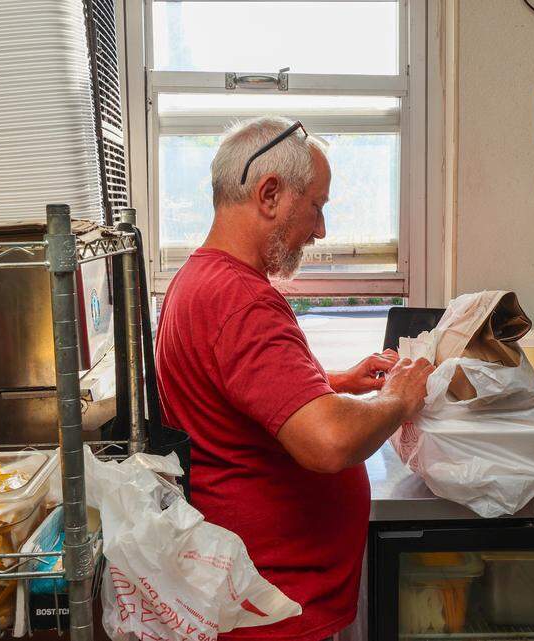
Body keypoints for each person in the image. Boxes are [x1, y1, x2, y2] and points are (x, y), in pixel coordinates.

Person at [155, 116, 434, 641]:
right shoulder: (242, 300)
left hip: (252, 597)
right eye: (316, 206)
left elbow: (236, 391)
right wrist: (398, 398)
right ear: (269, 194)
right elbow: (328, 443)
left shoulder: (197, 280)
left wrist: (333, 383)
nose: (321, 229)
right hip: (275, 609)